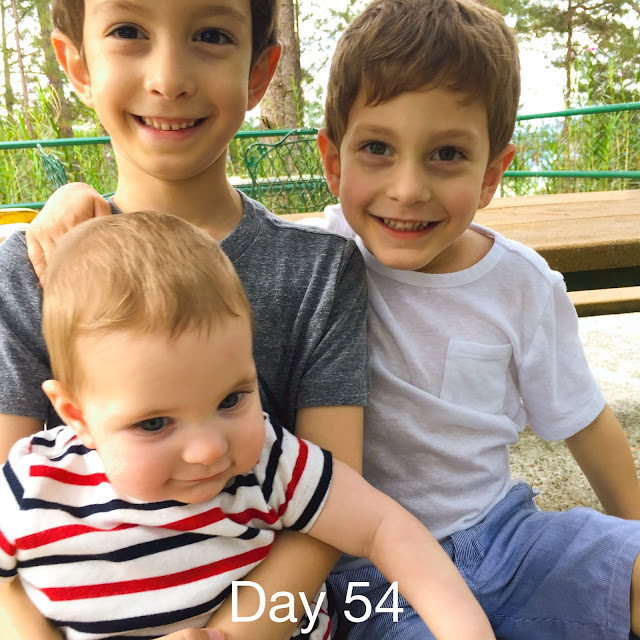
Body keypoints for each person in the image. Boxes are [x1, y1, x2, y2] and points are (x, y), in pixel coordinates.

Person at [0, 1, 370, 639]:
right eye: (128, 31)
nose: (169, 78)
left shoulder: (320, 272)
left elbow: (333, 511)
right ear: (76, 65)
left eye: (211, 34)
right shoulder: (29, 271)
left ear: (259, 74)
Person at [0, 211, 495, 640]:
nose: (209, 450)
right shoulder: (30, 490)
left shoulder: (270, 464)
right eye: (154, 423)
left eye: (231, 399)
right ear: (77, 416)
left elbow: (383, 527)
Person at [309, 0, 640, 638]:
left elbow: (585, 421)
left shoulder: (521, 284)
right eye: (377, 147)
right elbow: (206, 247)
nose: (408, 188)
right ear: (333, 162)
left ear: (491, 175)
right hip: (375, 579)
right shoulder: (315, 261)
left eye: (446, 154)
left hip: (508, 540)